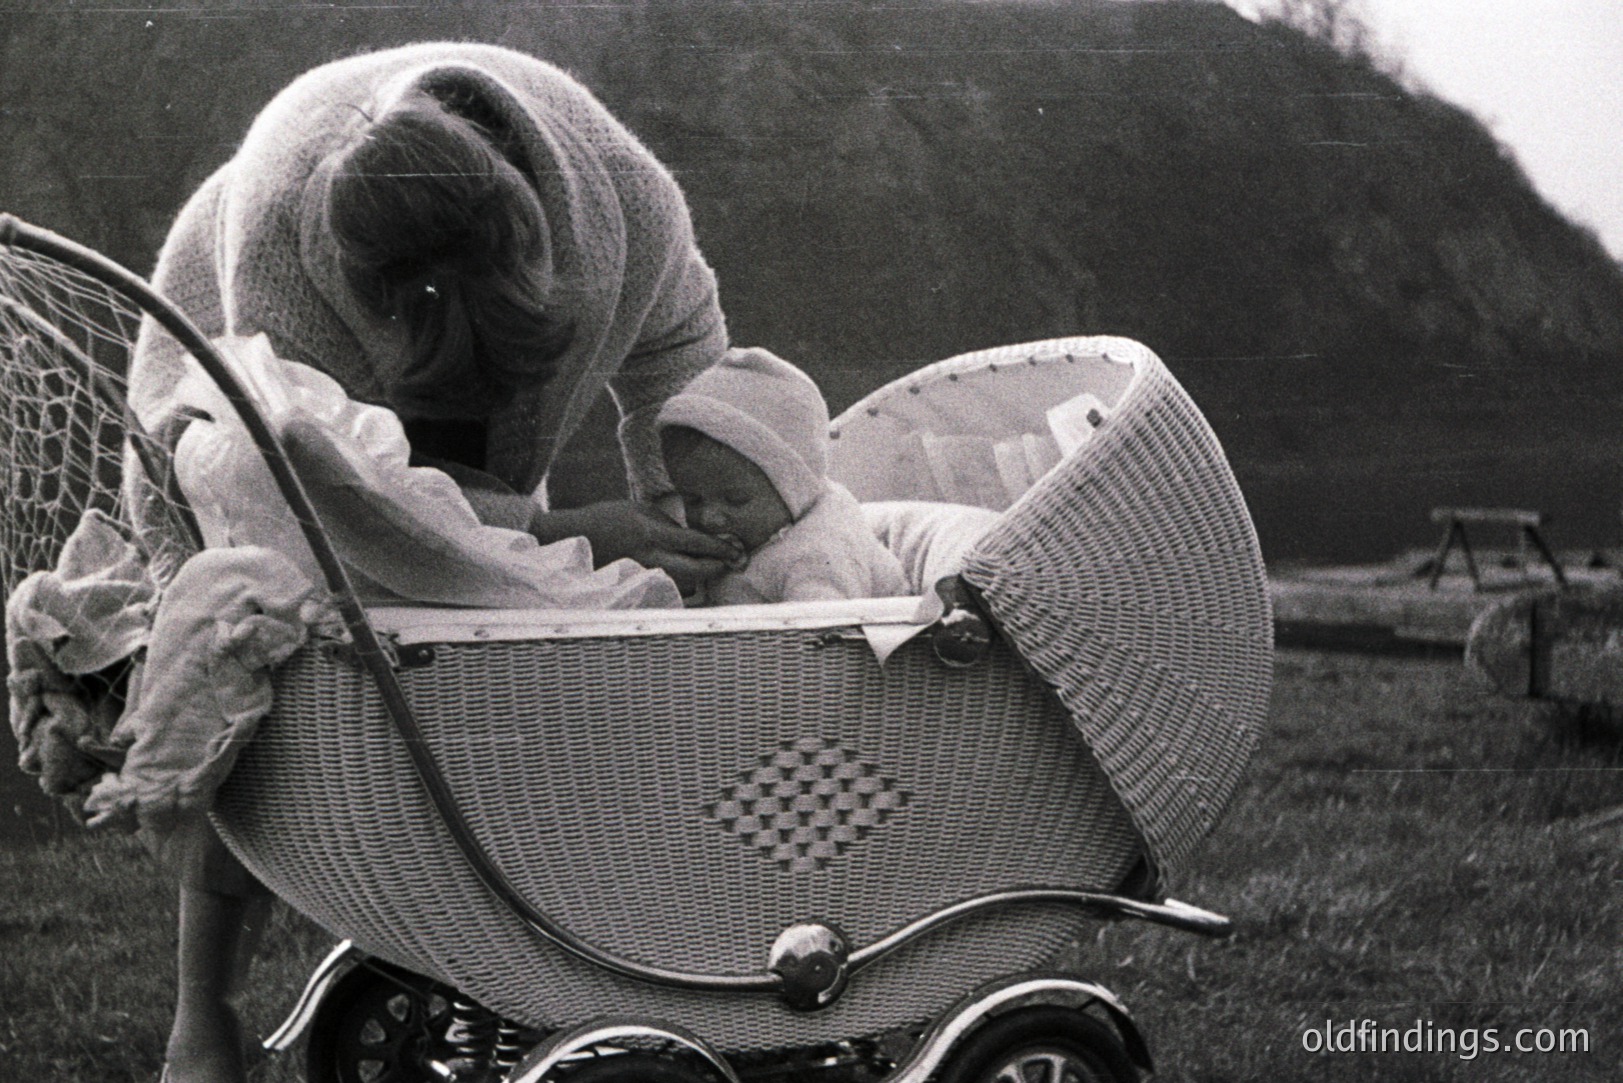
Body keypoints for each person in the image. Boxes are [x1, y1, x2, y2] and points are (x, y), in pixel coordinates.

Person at [127, 42, 741, 1082]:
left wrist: (682, 503)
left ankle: (498, 952)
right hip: (244, 412)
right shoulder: (281, 252)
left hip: (455, 412)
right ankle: (208, 1013)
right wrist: (565, 533)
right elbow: (357, 512)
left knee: (501, 651)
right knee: (263, 659)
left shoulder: (625, 210)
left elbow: (685, 353)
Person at [656, 348, 909, 605]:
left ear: (793, 487)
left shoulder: (819, 553)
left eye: (736, 499)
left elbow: (817, 635)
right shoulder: (762, 528)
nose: (709, 518)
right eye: (692, 500)